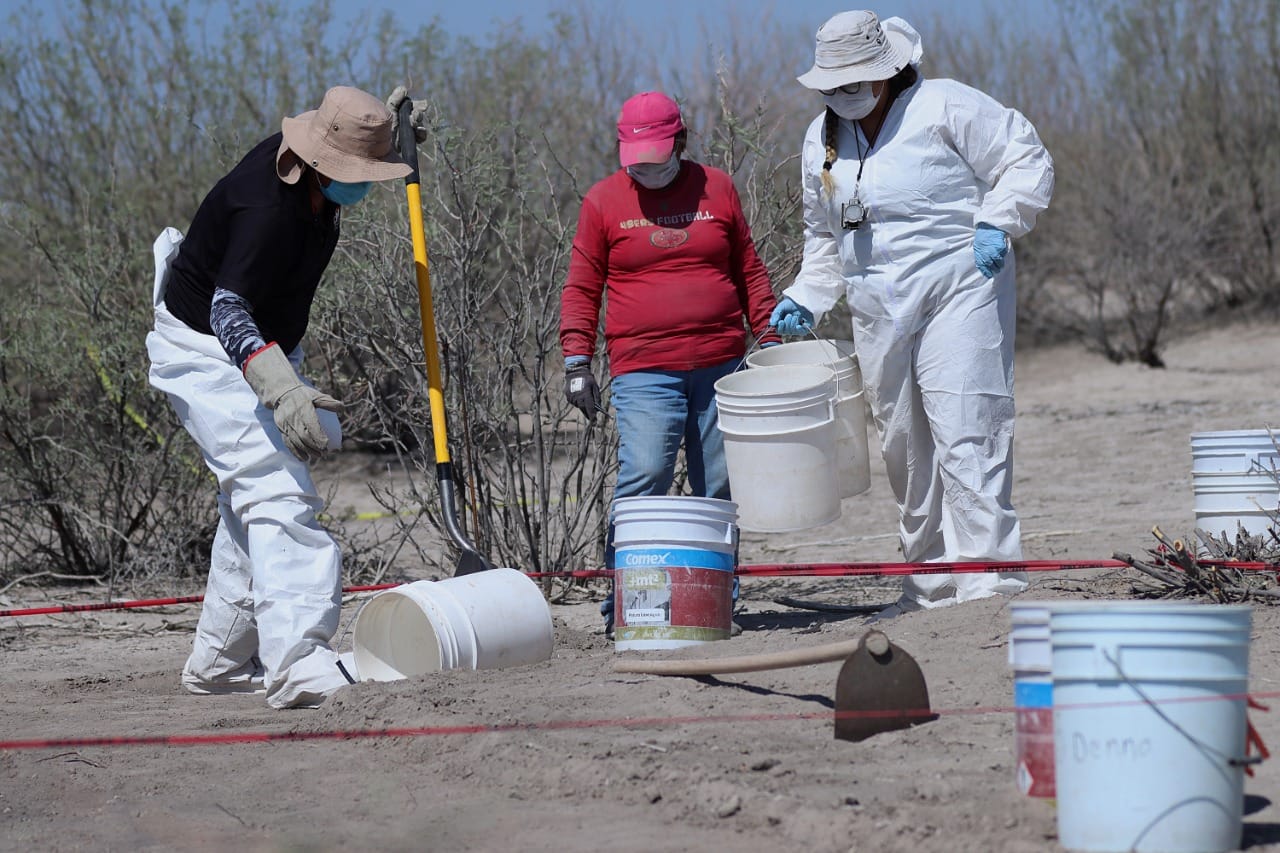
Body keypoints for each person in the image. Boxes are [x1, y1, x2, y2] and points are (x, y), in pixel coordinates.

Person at [771, 12, 1054, 618]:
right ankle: (928, 583)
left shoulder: (946, 106)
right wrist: (806, 294)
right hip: (877, 304)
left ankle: (988, 581)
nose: (844, 96)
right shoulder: (819, 140)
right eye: (833, 86)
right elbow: (823, 234)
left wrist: (997, 220)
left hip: (961, 285)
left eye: (854, 82)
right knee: (903, 443)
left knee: (966, 425)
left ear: (888, 71)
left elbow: (1024, 158)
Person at [146, 86, 412, 708]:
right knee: (277, 490)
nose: (365, 184)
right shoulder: (266, 207)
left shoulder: (309, 174)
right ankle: (296, 663)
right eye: (362, 171)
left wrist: (395, 140)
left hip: (262, 344)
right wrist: (280, 389)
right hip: (209, 350)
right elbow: (227, 308)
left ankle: (218, 663)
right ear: (321, 164)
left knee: (251, 503)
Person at [559, 91, 781, 635]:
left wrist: (771, 338)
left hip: (722, 365)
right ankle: (625, 605)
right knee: (646, 476)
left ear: (681, 142)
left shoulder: (718, 188)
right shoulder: (603, 201)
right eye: (638, 160)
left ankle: (714, 602)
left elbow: (748, 268)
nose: (649, 171)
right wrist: (575, 359)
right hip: (644, 370)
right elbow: (583, 285)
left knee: (720, 486)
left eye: (658, 158)